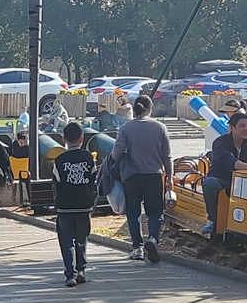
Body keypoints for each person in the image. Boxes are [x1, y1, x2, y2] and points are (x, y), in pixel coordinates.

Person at [109, 95, 172, 263]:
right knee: (155, 212)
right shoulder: (160, 127)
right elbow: (167, 156)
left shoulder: (126, 128)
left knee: (133, 212)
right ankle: (153, 239)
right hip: (154, 175)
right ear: (150, 108)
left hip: (132, 176)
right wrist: (169, 177)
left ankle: (137, 248)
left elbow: (116, 153)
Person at [201, 112, 247, 237]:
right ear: (231, 128)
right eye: (242, 126)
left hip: (245, 182)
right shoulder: (220, 142)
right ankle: (213, 220)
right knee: (210, 183)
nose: (246, 129)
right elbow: (229, 161)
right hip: (224, 179)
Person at [53, 122, 96, 287]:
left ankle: (70, 274)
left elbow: (55, 183)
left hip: (64, 207)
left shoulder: (59, 160)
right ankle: (81, 270)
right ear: (82, 138)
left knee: (66, 242)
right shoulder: (88, 158)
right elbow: (93, 181)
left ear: (64, 139)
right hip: (84, 205)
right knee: (81, 239)